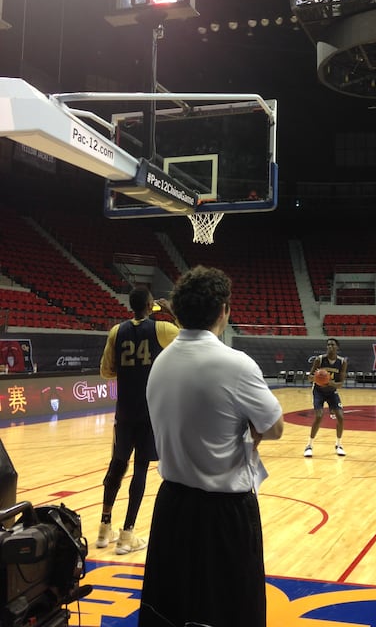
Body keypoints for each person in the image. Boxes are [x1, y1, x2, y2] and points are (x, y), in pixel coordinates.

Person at [139, 265, 284, 627]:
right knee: (231, 613)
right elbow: (275, 427)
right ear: (223, 310)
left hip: (172, 507)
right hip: (224, 515)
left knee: (171, 613)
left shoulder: (160, 363)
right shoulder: (235, 364)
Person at [96, 287, 179, 554]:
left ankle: (103, 529)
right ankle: (126, 535)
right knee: (140, 468)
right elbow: (191, 338)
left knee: (117, 466)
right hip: (149, 412)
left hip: (125, 412)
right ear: (150, 304)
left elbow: (106, 371)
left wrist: (126, 371)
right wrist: (171, 311)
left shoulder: (115, 331)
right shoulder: (162, 329)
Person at [304, 338, 347, 457]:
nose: (330, 347)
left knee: (340, 417)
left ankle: (339, 445)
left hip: (332, 391)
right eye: (328, 345)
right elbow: (309, 377)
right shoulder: (320, 359)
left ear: (337, 347)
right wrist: (317, 378)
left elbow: (341, 384)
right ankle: (309, 445)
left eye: (332, 345)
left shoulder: (342, 362)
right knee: (319, 416)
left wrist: (329, 382)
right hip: (318, 391)